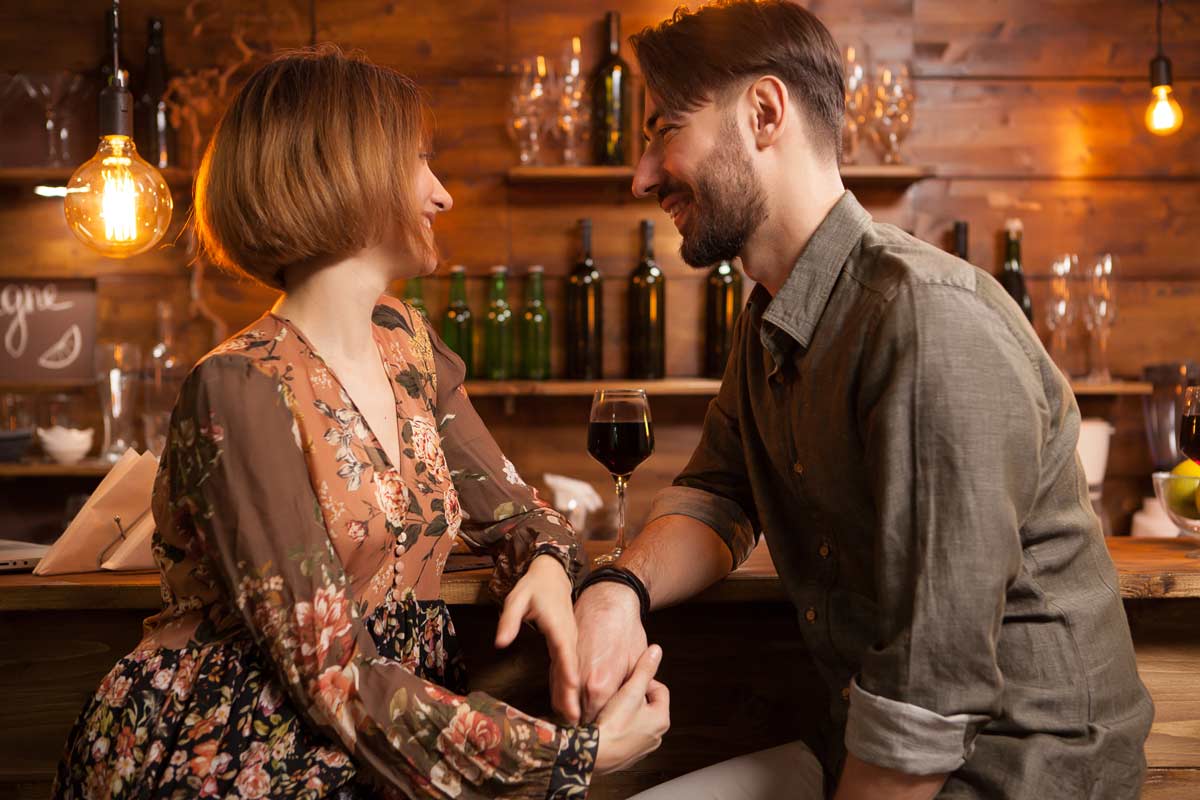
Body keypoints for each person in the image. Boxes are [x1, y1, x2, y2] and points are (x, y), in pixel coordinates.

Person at [568, 2, 1154, 798]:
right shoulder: (770, 315)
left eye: (665, 129)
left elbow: (928, 698)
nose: (642, 177)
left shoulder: (925, 318)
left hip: (1014, 774)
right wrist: (619, 589)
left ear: (764, 112)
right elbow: (717, 493)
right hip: (864, 747)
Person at [53, 46, 668, 800]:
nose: (443, 195)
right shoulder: (239, 386)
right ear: (343, 172)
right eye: (420, 163)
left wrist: (544, 562)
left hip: (383, 748)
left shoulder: (408, 345)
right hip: (235, 753)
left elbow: (525, 514)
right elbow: (333, 676)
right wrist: (575, 756)